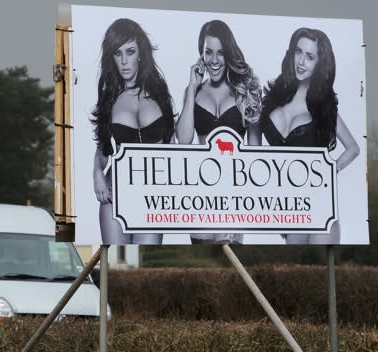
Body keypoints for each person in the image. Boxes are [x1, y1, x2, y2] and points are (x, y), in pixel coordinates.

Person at [260, 27, 360, 244]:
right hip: (289, 207)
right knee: (297, 272)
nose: (301, 61)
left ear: (319, 64)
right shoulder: (274, 99)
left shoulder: (323, 108)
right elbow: (255, 150)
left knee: (322, 271)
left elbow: (353, 148)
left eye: (310, 56)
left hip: (319, 204)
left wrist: (330, 170)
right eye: (298, 52)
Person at [176, 19, 262, 244]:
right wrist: (192, 87)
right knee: (204, 256)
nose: (214, 60)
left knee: (229, 260)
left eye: (221, 53)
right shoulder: (192, 91)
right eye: (208, 52)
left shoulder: (246, 91)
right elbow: (184, 140)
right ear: (201, 54)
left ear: (229, 55)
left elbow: (255, 153)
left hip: (234, 191)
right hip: (199, 189)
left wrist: (244, 200)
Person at [91, 18, 175, 244]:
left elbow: (173, 148)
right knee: (116, 267)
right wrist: (97, 174)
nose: (125, 61)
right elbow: (103, 151)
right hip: (115, 193)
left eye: (130, 52)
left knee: (144, 263)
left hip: (152, 194)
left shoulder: (159, 95)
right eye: (118, 54)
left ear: (141, 54)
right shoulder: (109, 99)